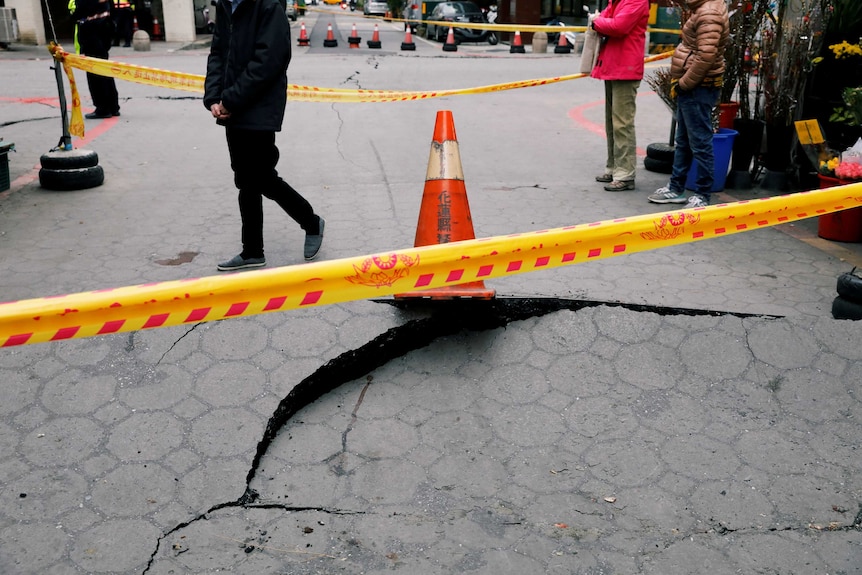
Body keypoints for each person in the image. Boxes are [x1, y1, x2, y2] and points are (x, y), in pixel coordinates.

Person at [204, 0, 324, 271]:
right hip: (231, 107)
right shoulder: (226, 6)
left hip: (259, 106)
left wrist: (230, 100)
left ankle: (312, 222)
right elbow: (218, 54)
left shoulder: (268, 6)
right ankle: (253, 251)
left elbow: (269, 61)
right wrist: (213, 97)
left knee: (260, 177)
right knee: (245, 178)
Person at [648, 0, 729, 208]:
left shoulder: (708, 12)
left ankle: (702, 195)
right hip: (695, 86)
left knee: (700, 142)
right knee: (683, 140)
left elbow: (706, 55)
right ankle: (676, 188)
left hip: (698, 87)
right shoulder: (703, 8)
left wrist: (684, 84)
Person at [590, 0, 650, 192]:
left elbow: (618, 26)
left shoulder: (636, 1)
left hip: (626, 67)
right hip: (614, 65)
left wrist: (596, 22)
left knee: (622, 122)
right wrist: (600, 21)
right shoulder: (617, 1)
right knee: (611, 121)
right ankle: (614, 167)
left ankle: (625, 174)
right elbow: (606, 20)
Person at [68, 0, 121, 119]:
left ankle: (103, 108)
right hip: (104, 30)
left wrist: (72, 17)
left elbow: (81, 10)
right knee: (105, 71)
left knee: (94, 74)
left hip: (92, 32)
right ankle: (113, 106)